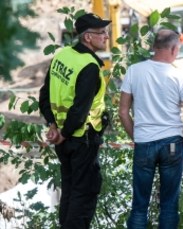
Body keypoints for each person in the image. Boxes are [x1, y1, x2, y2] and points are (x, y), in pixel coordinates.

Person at [119, 29, 183, 228]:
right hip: (172, 143)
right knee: (169, 206)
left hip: (144, 142)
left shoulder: (134, 71)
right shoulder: (179, 76)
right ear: (173, 49)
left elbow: (123, 112)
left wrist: (137, 136)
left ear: (155, 46)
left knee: (139, 206)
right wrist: (181, 140)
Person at [38, 13, 111, 229]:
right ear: (88, 37)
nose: (106, 36)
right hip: (82, 140)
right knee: (83, 195)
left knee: (69, 192)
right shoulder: (89, 66)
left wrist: (53, 125)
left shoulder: (62, 56)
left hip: (65, 140)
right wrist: (64, 132)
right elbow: (80, 111)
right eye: (102, 32)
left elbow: (44, 95)